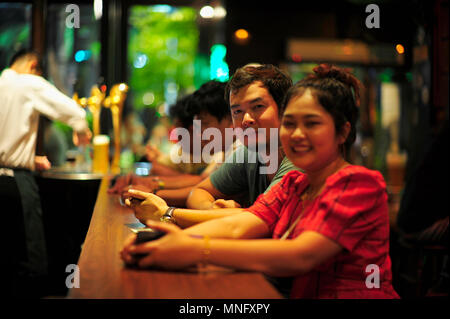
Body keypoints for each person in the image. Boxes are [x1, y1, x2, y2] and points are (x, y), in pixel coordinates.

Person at [121, 64, 400, 299]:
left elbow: (298, 255)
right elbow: (238, 226)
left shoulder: (358, 183)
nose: (297, 134)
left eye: (312, 123)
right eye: (290, 124)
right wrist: (162, 226)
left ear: (342, 132)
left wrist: (194, 248)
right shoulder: (294, 183)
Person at [125, 64, 299, 226]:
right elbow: (197, 192)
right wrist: (211, 210)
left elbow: (258, 217)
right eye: (237, 111)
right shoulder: (249, 153)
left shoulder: (298, 160)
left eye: (258, 106)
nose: (246, 119)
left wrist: (166, 212)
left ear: (285, 108)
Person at [0, 49, 91, 298]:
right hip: (15, 184)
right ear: (32, 66)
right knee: (30, 260)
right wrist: (82, 131)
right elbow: (75, 113)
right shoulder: (27, 82)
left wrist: (27, 158)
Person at [108, 81, 234, 206]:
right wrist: (149, 186)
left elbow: (202, 186)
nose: (199, 133)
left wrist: (152, 191)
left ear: (230, 119)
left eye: (204, 124)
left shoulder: (239, 151)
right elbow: (202, 182)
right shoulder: (224, 152)